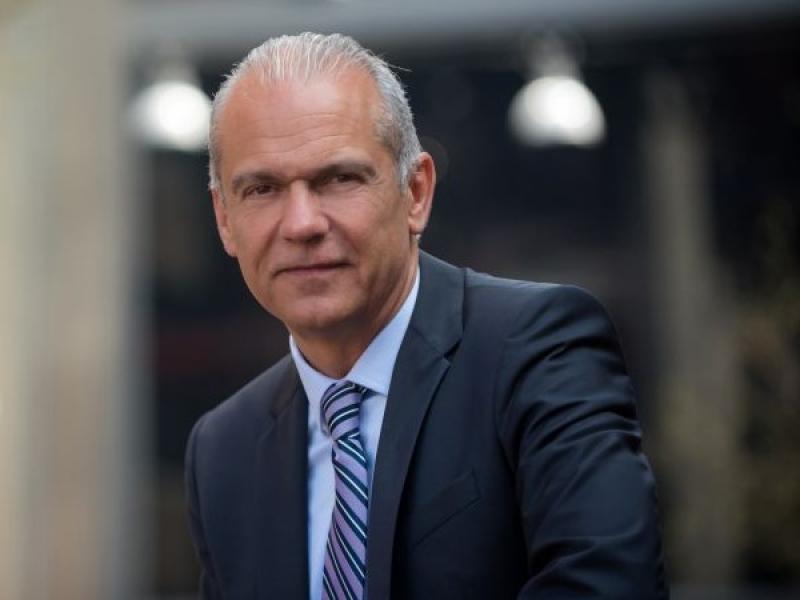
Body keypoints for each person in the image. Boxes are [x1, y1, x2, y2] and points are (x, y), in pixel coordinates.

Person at [185, 32, 667, 599]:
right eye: (262, 189)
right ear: (224, 220)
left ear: (415, 192)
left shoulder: (538, 352)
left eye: (338, 179)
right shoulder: (224, 450)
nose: (302, 224)